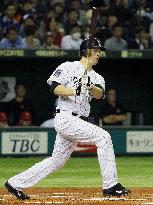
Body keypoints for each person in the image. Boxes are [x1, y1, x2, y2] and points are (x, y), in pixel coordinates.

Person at [4, 38, 130, 200]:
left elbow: (99, 95)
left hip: (78, 120)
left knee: (58, 161)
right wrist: (75, 90)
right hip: (66, 117)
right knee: (104, 137)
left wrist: (89, 86)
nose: (99, 54)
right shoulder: (68, 67)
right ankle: (111, 186)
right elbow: (55, 88)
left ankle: (15, 183)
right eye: (96, 50)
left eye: (100, 51)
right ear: (86, 51)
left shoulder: (98, 77)